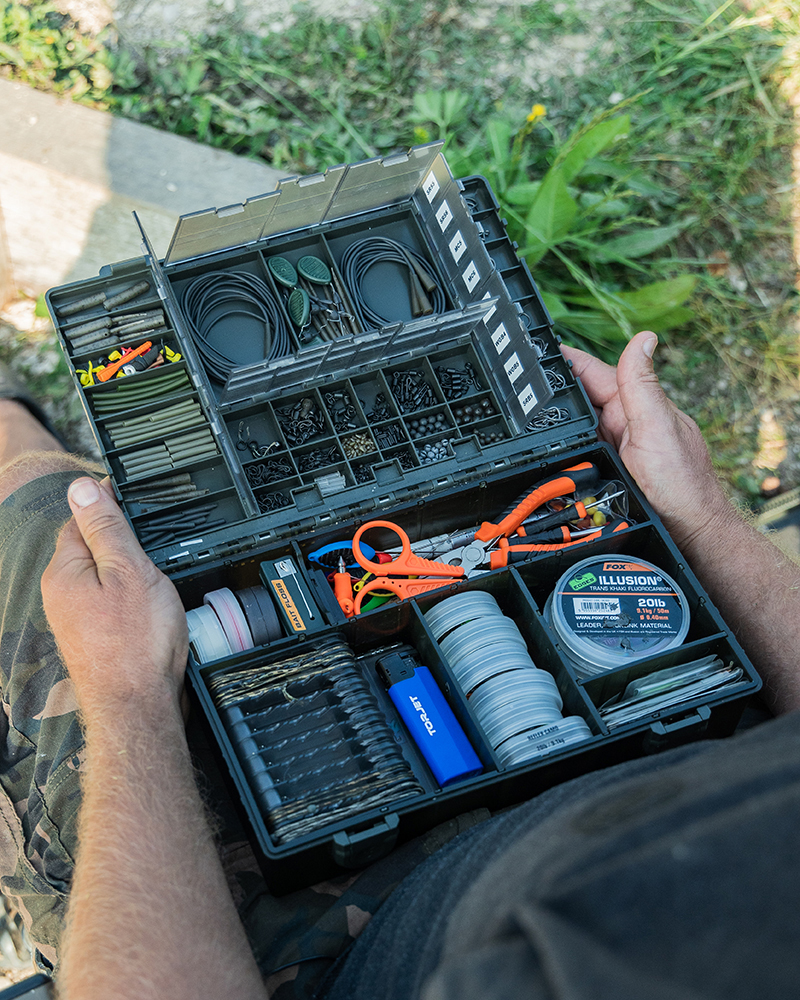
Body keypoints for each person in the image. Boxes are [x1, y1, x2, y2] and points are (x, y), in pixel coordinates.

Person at [0, 330, 797, 999]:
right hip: (665, 757)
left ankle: (13, 429)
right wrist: (699, 518)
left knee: (42, 501)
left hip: (335, 946)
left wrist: (127, 694)